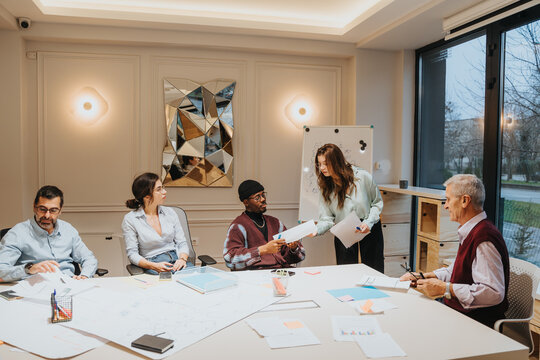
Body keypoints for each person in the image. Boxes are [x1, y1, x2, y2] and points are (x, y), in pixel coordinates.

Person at [400, 174, 509, 328]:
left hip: (475, 323)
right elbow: (458, 271)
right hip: (459, 313)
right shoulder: (472, 230)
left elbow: (493, 293)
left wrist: (444, 288)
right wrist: (424, 276)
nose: (445, 205)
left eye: (449, 199)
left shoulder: (484, 237)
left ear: (465, 201)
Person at [0, 185, 98, 282]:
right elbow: (1, 271)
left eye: (53, 210)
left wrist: (85, 275)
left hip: (68, 285)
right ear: (34, 207)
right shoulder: (18, 233)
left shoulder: (68, 230)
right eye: (42, 209)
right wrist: (29, 269)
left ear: (60, 211)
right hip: (35, 288)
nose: (47, 216)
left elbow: (89, 258)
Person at [314, 144, 384, 272]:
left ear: (336, 161)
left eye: (326, 163)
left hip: (369, 227)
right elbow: (327, 218)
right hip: (344, 231)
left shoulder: (362, 177)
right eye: (319, 164)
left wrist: (368, 223)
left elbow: (376, 203)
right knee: (346, 272)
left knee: (374, 271)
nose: (322, 168)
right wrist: (316, 230)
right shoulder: (325, 187)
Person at [223, 180, 305, 270]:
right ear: (246, 202)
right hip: (255, 277)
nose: (263, 199)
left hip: (279, 272)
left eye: (263, 195)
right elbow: (230, 259)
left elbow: (298, 256)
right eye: (257, 197)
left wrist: (293, 248)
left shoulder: (276, 223)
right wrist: (263, 250)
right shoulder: (238, 226)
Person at [122, 172, 192, 274]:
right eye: (159, 189)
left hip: (177, 259)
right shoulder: (131, 219)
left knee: (195, 282)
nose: (164, 192)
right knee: (169, 286)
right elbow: (132, 254)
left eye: (162, 187)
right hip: (153, 263)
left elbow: (182, 243)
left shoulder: (170, 213)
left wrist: (182, 259)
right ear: (147, 196)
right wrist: (154, 266)